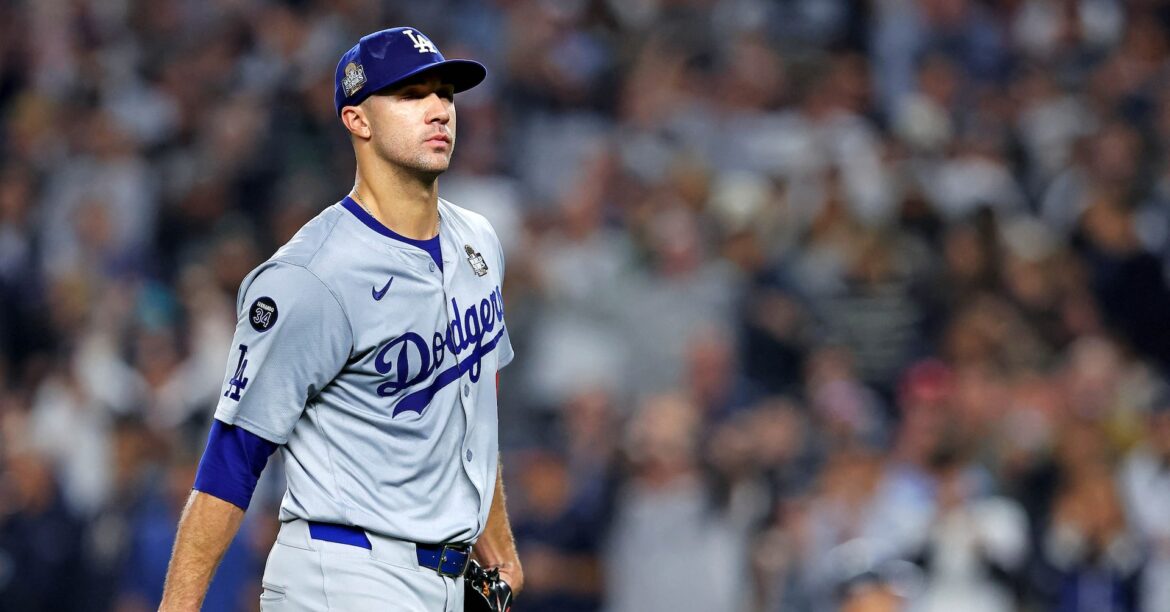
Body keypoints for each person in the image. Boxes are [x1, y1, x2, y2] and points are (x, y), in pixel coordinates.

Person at [158, 26, 522, 611]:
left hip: (444, 580)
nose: (438, 111)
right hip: (344, 573)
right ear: (358, 120)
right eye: (410, 95)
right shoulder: (311, 276)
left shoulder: (478, 240)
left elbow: (475, 397)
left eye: (445, 94)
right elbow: (231, 460)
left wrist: (495, 540)